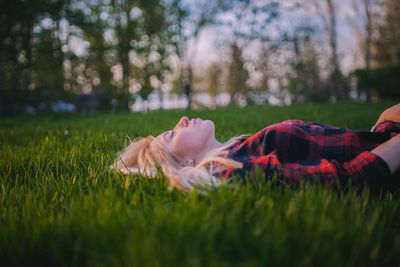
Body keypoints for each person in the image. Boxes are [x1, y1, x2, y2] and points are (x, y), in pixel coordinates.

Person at [113, 104, 400, 192]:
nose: (182, 120)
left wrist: (382, 125)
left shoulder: (240, 147)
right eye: (173, 134)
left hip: (385, 136)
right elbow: (350, 179)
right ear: (186, 165)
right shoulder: (236, 170)